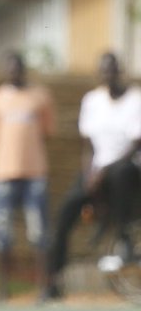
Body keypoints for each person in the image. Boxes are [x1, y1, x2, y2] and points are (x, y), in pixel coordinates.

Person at [46, 51, 141, 297]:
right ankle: (53, 281)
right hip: (97, 170)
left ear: (119, 71)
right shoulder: (91, 101)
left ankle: (123, 240)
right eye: (104, 70)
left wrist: (105, 170)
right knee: (65, 212)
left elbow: (135, 145)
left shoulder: (134, 100)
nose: (108, 74)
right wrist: (89, 174)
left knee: (122, 173)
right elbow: (87, 146)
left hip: (126, 167)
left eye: (112, 69)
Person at [0, 51, 54, 302]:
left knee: (38, 234)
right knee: (2, 235)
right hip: (3, 174)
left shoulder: (40, 96)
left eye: (18, 67)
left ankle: (43, 289)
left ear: (24, 69)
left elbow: (47, 130)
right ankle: (3, 290)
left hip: (35, 173)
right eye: (9, 68)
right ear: (5, 71)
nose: (14, 72)